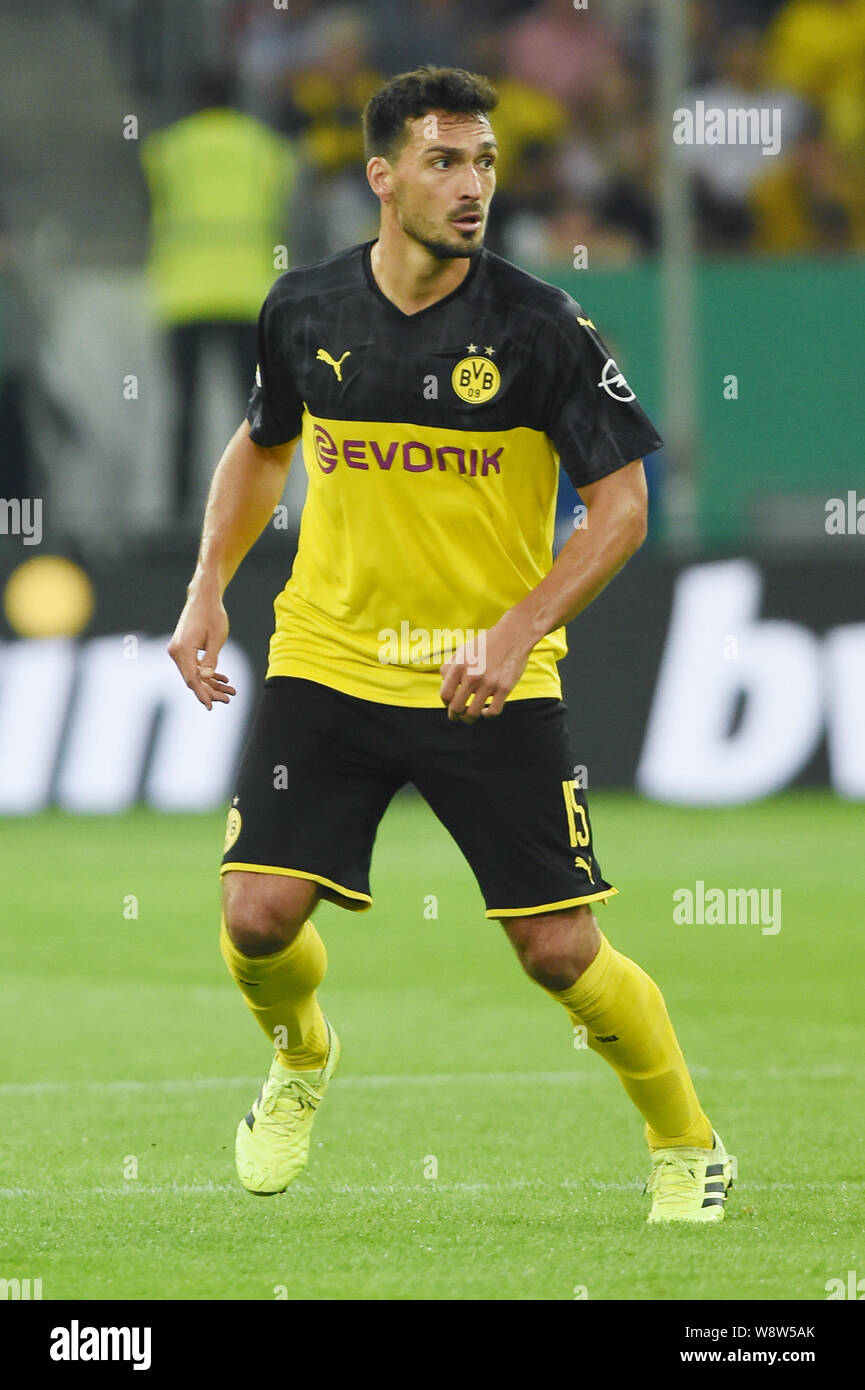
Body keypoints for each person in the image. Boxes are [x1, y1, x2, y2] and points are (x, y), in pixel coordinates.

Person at [168, 66, 735, 1224]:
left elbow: (621, 507)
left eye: (482, 162)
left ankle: (687, 1143)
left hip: (492, 678)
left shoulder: (540, 329)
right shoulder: (306, 311)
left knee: (558, 951)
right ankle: (302, 1057)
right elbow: (263, 445)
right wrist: (206, 588)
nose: (472, 185)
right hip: (329, 656)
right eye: (443, 162)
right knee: (255, 916)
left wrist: (515, 628)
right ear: (382, 178)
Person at [141, 68, 297, 519]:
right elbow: (284, 213)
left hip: (184, 294)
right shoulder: (267, 149)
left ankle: (178, 509)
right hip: (248, 293)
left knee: (183, 406)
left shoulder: (166, 150)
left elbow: (153, 210)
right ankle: (260, 505)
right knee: (252, 407)